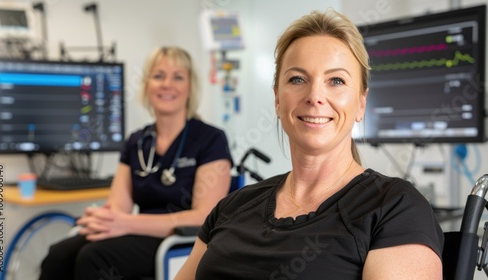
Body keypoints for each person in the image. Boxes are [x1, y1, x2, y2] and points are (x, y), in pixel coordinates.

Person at [175, 9, 443, 280]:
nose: (315, 96)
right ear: (278, 100)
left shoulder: (395, 209)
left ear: (361, 103)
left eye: (336, 81)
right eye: (298, 79)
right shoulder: (232, 207)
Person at [39, 46, 233, 280]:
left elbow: (204, 217)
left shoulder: (211, 139)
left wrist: (128, 223)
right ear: (147, 85)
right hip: (136, 232)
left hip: (180, 241)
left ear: (190, 87)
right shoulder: (136, 141)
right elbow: (118, 208)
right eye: (158, 76)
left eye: (178, 77)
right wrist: (100, 218)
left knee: (95, 258)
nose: (166, 84)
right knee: (58, 255)